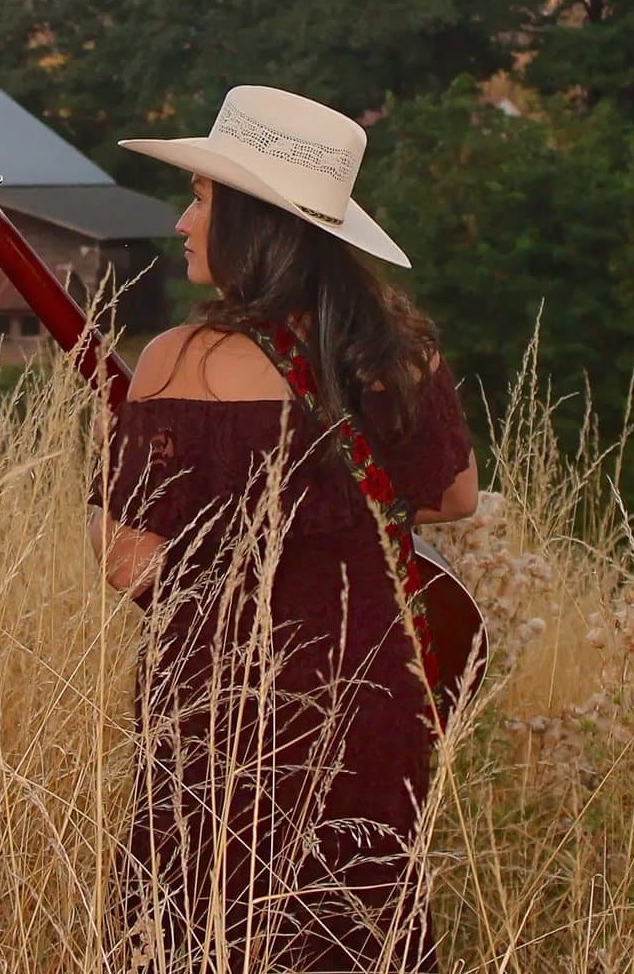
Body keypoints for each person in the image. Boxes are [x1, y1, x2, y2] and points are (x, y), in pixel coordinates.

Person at [89, 85, 480, 972]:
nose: (185, 222)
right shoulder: (402, 353)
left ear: (249, 222)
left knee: (202, 920)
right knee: (355, 920)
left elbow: (128, 560)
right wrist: (326, 511)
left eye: (200, 198)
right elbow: (455, 499)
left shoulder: (178, 360)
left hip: (225, 700)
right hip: (377, 690)